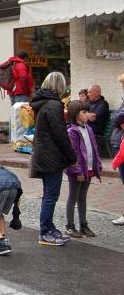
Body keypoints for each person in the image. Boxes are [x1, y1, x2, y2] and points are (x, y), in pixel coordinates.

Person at [30, 71, 77, 246]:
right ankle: (45, 231)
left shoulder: (42, 103)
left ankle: (49, 227)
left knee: (49, 193)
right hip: (52, 156)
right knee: (51, 194)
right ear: (59, 85)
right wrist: (72, 157)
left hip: (44, 154)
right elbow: (60, 134)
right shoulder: (54, 105)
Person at [64, 100, 102, 238]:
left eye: (87, 111)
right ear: (75, 114)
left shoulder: (88, 129)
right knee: (73, 197)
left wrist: (97, 164)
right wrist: (77, 171)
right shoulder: (72, 131)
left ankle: (83, 225)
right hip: (78, 171)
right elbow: (73, 153)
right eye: (84, 112)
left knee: (82, 198)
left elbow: (94, 148)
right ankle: (69, 226)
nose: (87, 115)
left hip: (89, 168)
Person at [87, 84, 111, 157]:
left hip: (97, 129)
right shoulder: (88, 103)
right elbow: (80, 114)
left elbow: (92, 117)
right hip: (88, 126)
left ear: (97, 93)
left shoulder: (103, 104)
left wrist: (84, 116)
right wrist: (86, 116)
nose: (88, 94)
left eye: (90, 92)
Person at [110, 72, 124, 159]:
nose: (122, 87)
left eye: (122, 83)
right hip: (119, 140)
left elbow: (117, 118)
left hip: (120, 142)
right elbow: (114, 116)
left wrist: (115, 116)